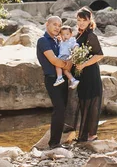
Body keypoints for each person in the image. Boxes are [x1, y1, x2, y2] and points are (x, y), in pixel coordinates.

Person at [36, 16, 73, 149]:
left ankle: (58, 140)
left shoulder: (58, 41)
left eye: (59, 25)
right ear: (47, 25)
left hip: (62, 79)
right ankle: (54, 143)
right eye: (54, 25)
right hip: (52, 79)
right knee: (59, 109)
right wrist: (67, 65)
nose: (57, 27)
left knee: (62, 110)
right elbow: (54, 61)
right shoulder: (43, 41)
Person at [74, 6, 104, 142]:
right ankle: (83, 134)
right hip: (81, 74)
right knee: (83, 101)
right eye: (79, 20)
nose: (81, 23)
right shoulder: (78, 34)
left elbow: (99, 55)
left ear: (89, 20)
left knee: (91, 102)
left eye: (84, 20)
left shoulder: (91, 35)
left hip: (91, 73)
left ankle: (91, 134)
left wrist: (84, 64)